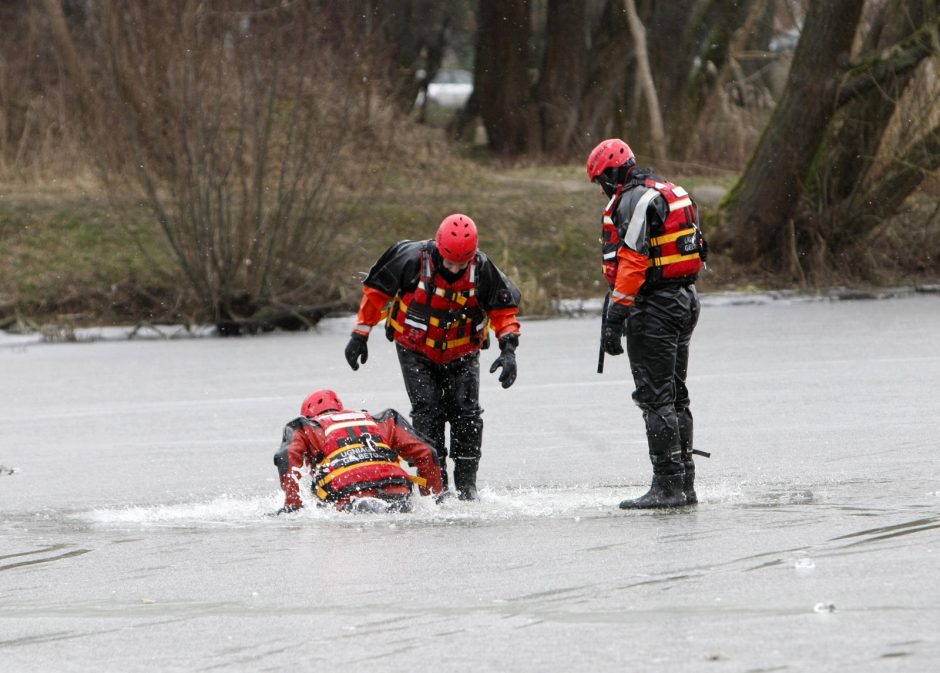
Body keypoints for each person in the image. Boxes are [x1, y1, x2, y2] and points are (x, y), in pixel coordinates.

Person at [344, 213, 522, 501]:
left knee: (467, 416)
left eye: (461, 263)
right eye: (450, 261)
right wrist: (359, 335)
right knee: (428, 414)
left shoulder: (483, 269)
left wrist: (509, 350)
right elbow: (376, 295)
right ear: (438, 247)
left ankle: (467, 486)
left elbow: (503, 311)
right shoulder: (410, 258)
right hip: (415, 351)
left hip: (463, 352)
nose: (454, 268)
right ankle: (434, 488)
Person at [586, 138, 707, 509]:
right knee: (675, 394)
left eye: (602, 180)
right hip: (684, 300)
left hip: (655, 306)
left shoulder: (633, 200)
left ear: (613, 173)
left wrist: (615, 317)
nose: (602, 189)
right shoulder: (672, 191)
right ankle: (684, 483)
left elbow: (634, 263)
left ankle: (668, 486)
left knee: (656, 399)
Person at [273, 388, 445, 514]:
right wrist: (433, 501)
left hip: (349, 497)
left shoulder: (304, 426)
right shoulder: (382, 419)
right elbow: (427, 453)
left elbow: (285, 456)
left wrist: (293, 506)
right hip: (399, 492)